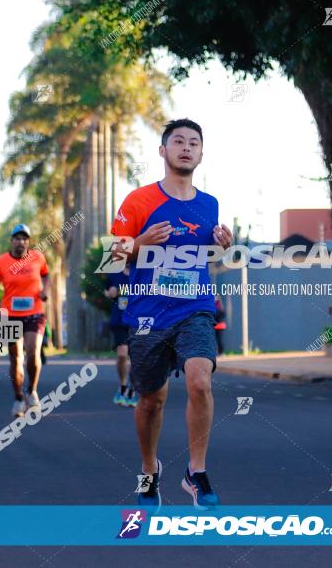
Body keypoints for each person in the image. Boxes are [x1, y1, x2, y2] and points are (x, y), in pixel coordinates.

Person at [111, 118, 232, 511]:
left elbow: (214, 260)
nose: (186, 147)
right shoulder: (138, 200)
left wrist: (225, 247)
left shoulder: (209, 204)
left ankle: (196, 472)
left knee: (200, 380)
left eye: (193, 142)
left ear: (201, 153)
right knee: (151, 401)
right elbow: (113, 254)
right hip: (149, 312)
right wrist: (139, 242)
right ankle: (150, 471)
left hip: (195, 306)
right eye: (177, 141)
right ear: (163, 151)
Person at [0, 224, 50, 417]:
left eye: (24, 238)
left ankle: (32, 391)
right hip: (10, 314)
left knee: (32, 351)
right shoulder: (0, 262)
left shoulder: (38, 257)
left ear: (28, 242)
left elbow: (46, 275)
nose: (21, 242)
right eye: (17, 238)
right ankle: (19, 398)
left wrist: (45, 291)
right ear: (11, 241)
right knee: (16, 358)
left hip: (34, 312)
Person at [105, 266, 136, 407]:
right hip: (120, 320)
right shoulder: (114, 274)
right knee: (123, 354)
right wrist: (110, 293)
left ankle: (133, 389)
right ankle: (123, 385)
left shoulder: (142, 272)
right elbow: (107, 292)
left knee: (137, 357)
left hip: (138, 320)